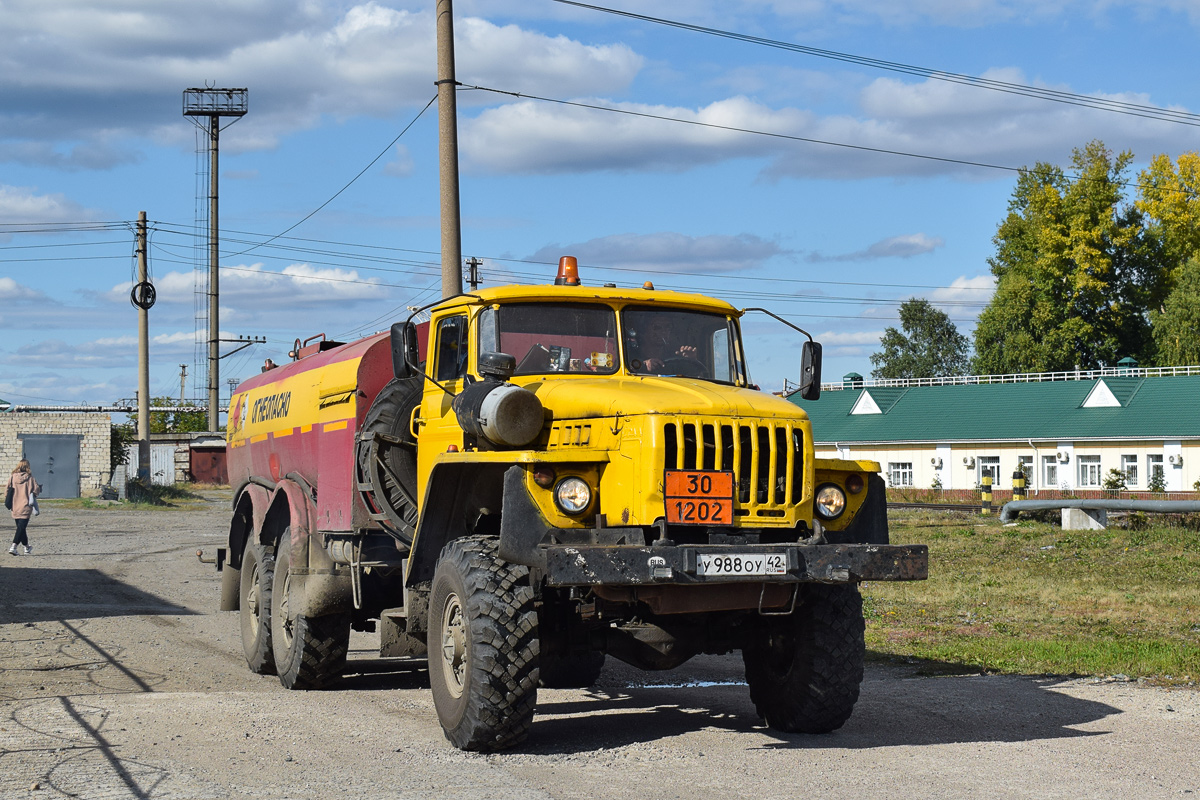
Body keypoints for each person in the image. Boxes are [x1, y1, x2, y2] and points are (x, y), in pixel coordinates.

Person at [637, 318, 701, 375]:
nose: (664, 331)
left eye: (668, 327)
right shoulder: (632, 354)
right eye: (657, 327)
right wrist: (644, 365)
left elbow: (691, 378)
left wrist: (691, 361)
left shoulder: (674, 357)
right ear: (644, 331)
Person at [8, 459, 41, 556]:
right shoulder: (30, 478)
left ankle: (27, 547)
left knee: (21, 528)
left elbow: (7, 490)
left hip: (15, 506)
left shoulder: (12, 477)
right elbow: (36, 490)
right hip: (26, 506)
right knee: (21, 528)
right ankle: (13, 547)